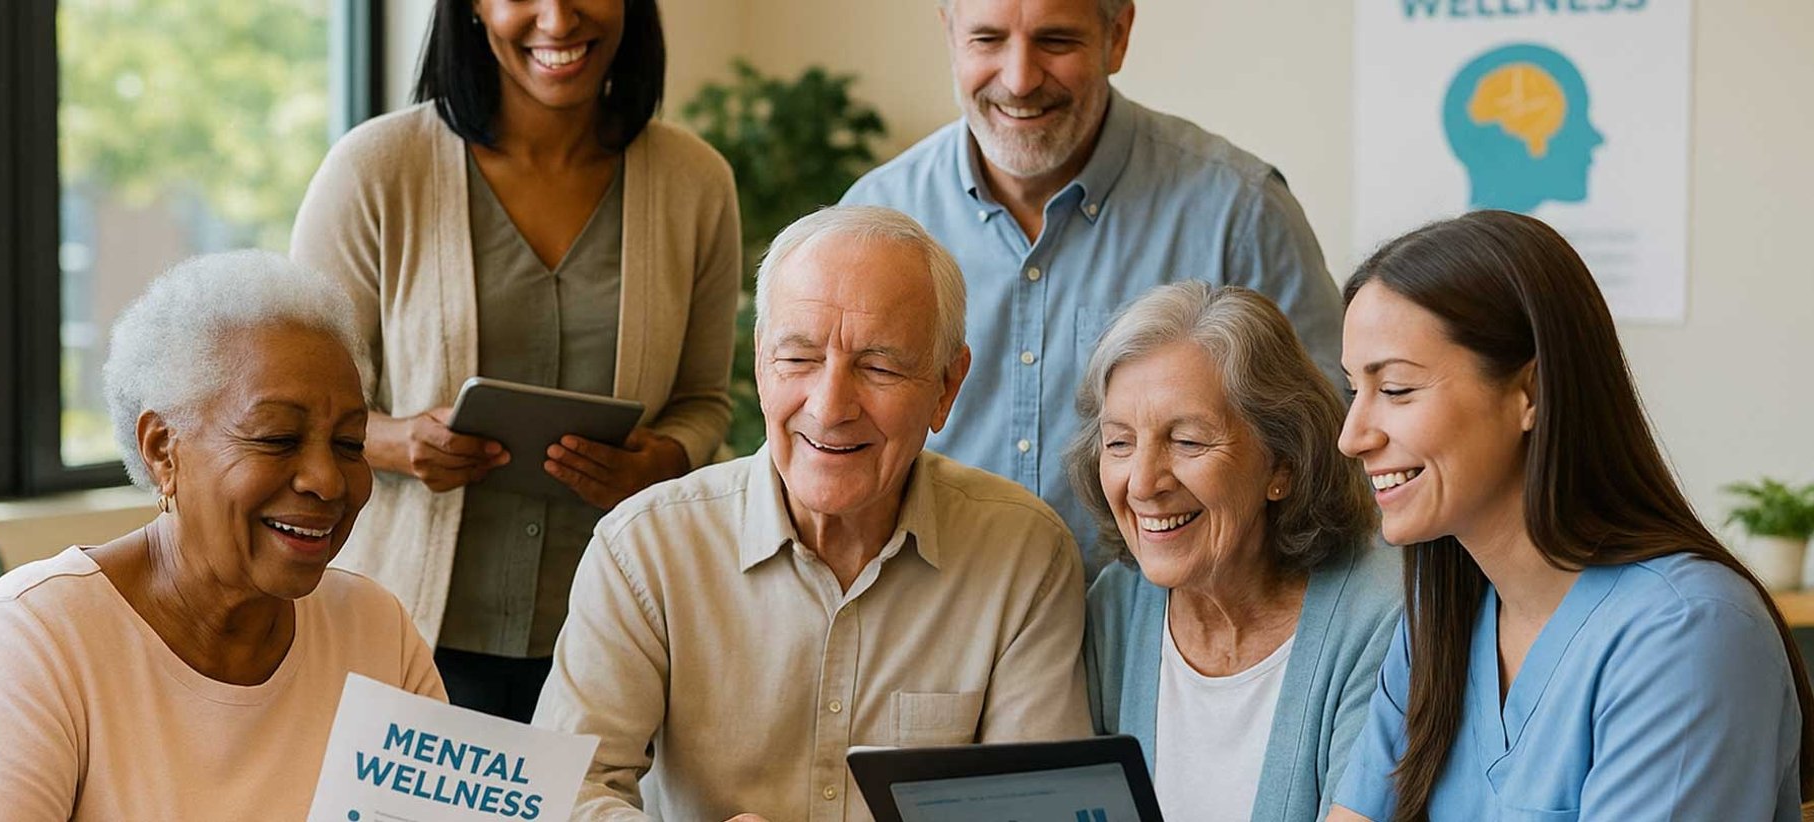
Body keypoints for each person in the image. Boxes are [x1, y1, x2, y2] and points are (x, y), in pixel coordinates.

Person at [531, 206, 1090, 821]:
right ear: (759, 363)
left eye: (879, 366)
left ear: (947, 386)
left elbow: (1035, 812)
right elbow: (561, 798)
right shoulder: (644, 548)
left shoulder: (1024, 553)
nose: (830, 407)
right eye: (798, 358)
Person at [289, 0, 739, 720]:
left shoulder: (696, 183)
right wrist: (402, 443)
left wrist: (667, 460)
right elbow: (299, 402)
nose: (557, 21)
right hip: (410, 639)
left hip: (610, 639)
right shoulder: (375, 170)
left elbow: (705, 402)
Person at [0, 251, 444, 820]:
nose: (327, 480)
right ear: (163, 449)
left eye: (350, 444)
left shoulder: (374, 631)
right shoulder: (36, 636)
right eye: (277, 438)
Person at [1327, 211, 1812, 821]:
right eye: (1353, 391)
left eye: (1395, 389)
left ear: (1530, 393)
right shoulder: (1438, 614)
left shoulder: (1689, 635)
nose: (1352, 436)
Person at [840, 0, 1345, 571]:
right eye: (987, 39)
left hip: (1158, 639)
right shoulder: (874, 216)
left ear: (1119, 35)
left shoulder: (1240, 211)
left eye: (1056, 41)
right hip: (938, 626)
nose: (1020, 79)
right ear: (950, 35)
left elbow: (1324, 447)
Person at [1071, 282, 1399, 822]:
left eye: (1189, 441)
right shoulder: (1115, 610)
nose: (1144, 483)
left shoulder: (1381, 614)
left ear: (1283, 464)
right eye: (1119, 443)